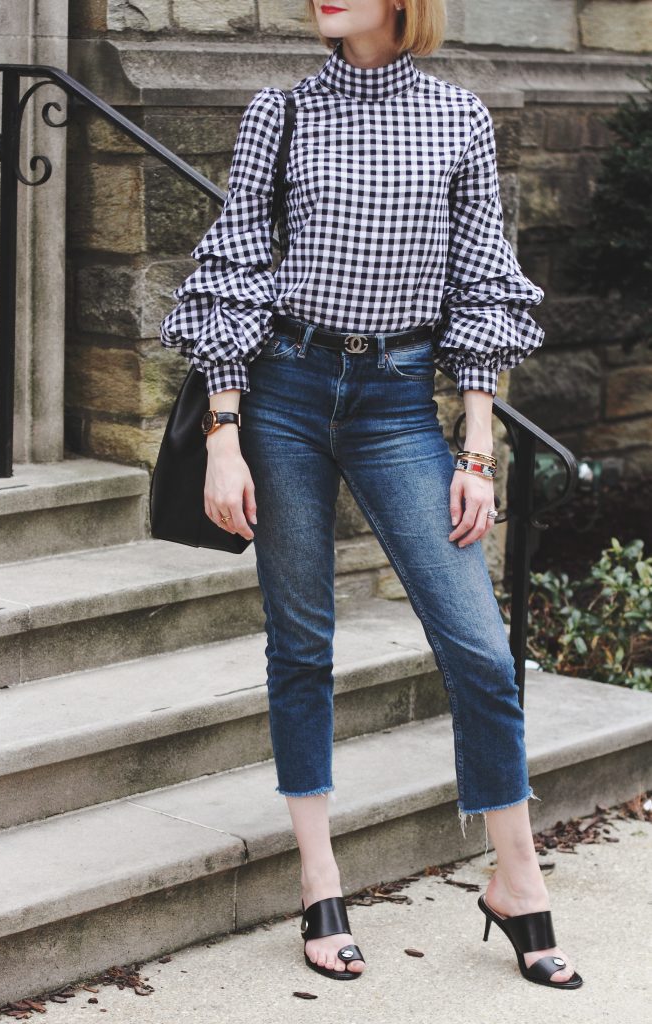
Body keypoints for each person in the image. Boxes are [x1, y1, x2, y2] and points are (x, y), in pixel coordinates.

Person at [160, 0, 582, 991]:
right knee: (301, 640)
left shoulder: (456, 118)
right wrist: (223, 436)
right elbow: (228, 271)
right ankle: (318, 880)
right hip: (285, 393)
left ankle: (515, 879)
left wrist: (475, 451)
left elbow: (483, 285)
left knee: (478, 646)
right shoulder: (282, 110)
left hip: (398, 403)